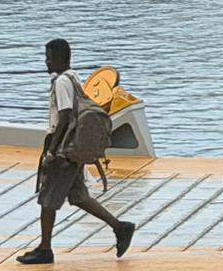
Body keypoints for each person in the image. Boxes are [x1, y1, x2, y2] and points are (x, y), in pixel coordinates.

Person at [18, 39, 135, 264]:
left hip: (64, 151)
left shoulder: (62, 82)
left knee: (48, 199)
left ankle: (45, 249)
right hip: (73, 147)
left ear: (60, 58)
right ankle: (120, 227)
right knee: (79, 196)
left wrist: (53, 150)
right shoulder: (73, 77)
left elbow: (64, 117)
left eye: (49, 57)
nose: (46, 61)